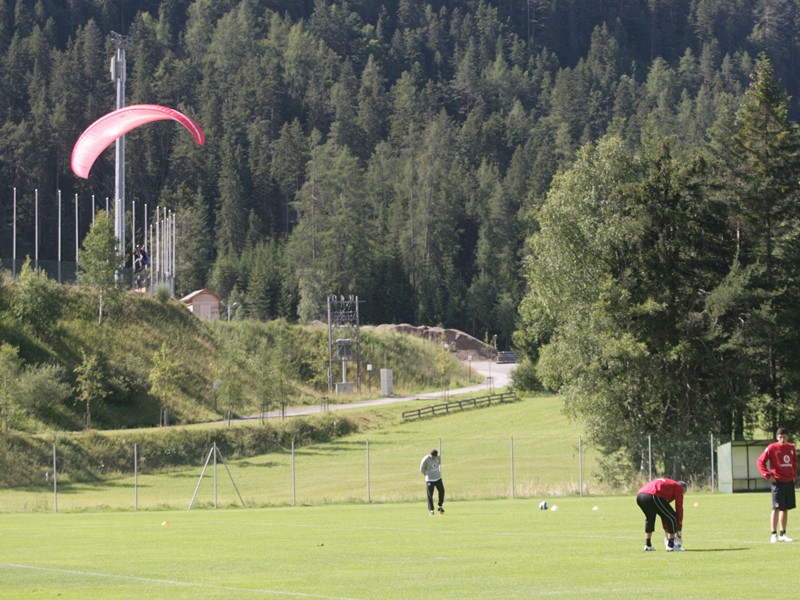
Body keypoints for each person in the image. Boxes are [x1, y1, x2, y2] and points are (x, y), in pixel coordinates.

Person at [757, 427, 797, 543]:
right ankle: (773, 534)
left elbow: (794, 462)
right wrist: (767, 475)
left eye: (784, 437)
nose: (782, 439)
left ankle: (783, 533)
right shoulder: (772, 448)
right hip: (777, 482)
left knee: (785, 508)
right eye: (780, 437)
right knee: (776, 507)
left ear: (787, 437)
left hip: (788, 481)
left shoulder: (791, 447)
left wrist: (793, 474)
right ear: (777, 437)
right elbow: (760, 461)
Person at [636, 477, 687, 552]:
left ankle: (648, 545)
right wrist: (679, 528)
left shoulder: (669, 485)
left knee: (650, 518)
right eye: (682, 493)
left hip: (640, 496)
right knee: (672, 517)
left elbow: (663, 514)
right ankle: (671, 546)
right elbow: (679, 508)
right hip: (652, 495)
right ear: (682, 488)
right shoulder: (678, 487)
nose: (681, 495)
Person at [420, 449, 445, 515]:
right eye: (432, 456)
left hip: (438, 478)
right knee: (430, 495)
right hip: (429, 479)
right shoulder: (425, 459)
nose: (433, 458)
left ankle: (440, 506)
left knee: (442, 491)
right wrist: (427, 474)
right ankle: (431, 510)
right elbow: (422, 469)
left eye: (434, 457)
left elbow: (438, 463)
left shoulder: (438, 457)